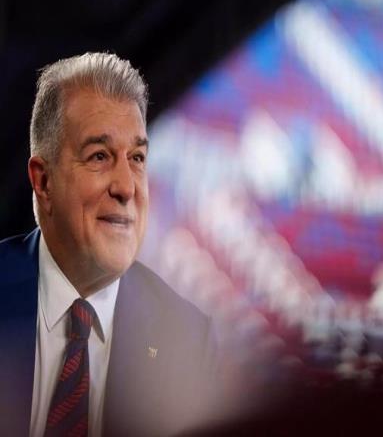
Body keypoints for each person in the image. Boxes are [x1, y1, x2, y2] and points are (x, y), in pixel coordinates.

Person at [0, 52, 220, 437]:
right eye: (99, 156)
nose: (126, 187)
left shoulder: (187, 341)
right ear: (44, 182)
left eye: (137, 158)